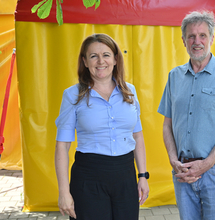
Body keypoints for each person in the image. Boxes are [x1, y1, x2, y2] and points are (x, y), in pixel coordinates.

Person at [157, 11, 215, 220]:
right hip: (183, 171)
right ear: (184, 40)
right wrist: (172, 160)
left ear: (212, 38)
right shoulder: (174, 76)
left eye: (203, 35)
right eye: (191, 36)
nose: (197, 41)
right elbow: (167, 124)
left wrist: (205, 164)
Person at [55, 33, 149, 220]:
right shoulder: (72, 95)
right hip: (89, 178)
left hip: (125, 176)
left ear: (115, 59)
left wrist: (142, 176)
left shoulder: (130, 92)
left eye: (106, 55)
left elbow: (137, 136)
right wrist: (64, 192)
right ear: (85, 61)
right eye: (93, 56)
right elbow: (62, 146)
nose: (100, 61)